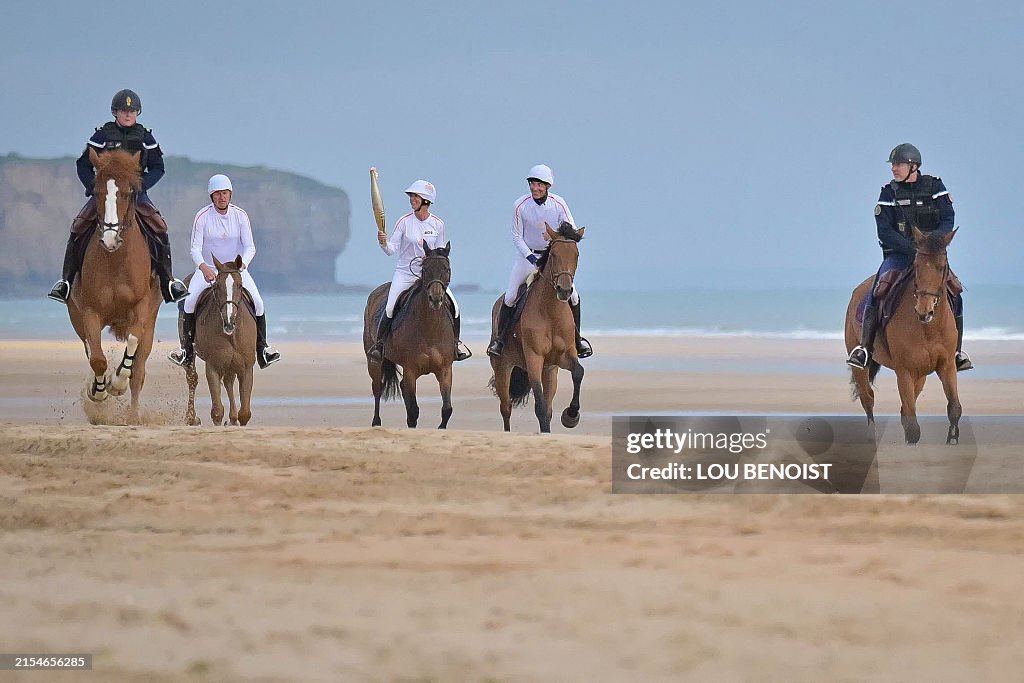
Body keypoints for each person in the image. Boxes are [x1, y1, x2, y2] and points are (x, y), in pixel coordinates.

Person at [47, 89, 187, 304]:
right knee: (78, 226)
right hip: (105, 194)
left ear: (137, 113)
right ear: (115, 113)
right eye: (124, 110)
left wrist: (140, 187)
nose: (128, 114)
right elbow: (83, 165)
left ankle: (168, 282)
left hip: (135, 194)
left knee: (160, 227)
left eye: (132, 110)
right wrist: (95, 188)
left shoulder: (146, 137)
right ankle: (66, 283)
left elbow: (158, 168)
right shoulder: (101, 136)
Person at [846, 143, 973, 371]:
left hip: (931, 256)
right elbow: (884, 230)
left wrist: (932, 244)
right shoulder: (888, 192)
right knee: (877, 291)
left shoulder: (935, 186)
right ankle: (864, 348)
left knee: (955, 290)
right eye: (893, 165)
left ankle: (957, 352)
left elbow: (947, 218)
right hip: (899, 256)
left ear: (913, 166)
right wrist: (911, 249)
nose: (894, 168)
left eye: (899, 164)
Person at [168, 174, 281, 369]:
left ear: (230, 195)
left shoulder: (240, 215)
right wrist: (203, 267)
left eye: (225, 193)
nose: (222, 197)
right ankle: (186, 351)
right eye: (218, 194)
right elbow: (195, 248)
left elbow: (250, 247)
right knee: (189, 302)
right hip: (209, 271)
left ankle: (262, 349)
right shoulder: (202, 216)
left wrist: (242, 265)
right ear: (212, 196)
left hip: (237, 270)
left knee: (259, 304)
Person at [486, 164, 593, 358]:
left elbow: (571, 230)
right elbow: (516, 236)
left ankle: (578, 339)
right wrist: (530, 257)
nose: (535, 188)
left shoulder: (559, 204)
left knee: (574, 296)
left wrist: (555, 239)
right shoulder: (520, 205)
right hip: (527, 257)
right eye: (532, 184)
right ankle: (500, 341)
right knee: (510, 297)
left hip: (553, 259)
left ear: (547, 186)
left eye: (539, 185)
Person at [367, 175, 471, 363]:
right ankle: (380, 345)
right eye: (411, 196)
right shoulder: (404, 222)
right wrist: (383, 243)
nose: (412, 200)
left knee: (454, 307)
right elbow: (391, 250)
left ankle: (455, 344)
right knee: (390, 307)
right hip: (405, 273)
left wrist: (433, 262)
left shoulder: (438, 224)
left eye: (415, 196)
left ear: (426, 200)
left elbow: (440, 253)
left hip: (430, 276)